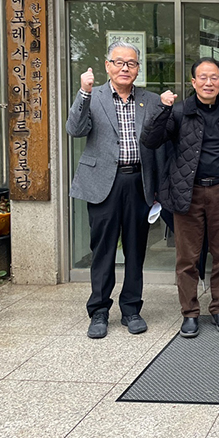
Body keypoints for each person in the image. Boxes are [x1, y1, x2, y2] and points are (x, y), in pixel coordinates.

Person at [141, 57, 219, 338]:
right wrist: (162, 109)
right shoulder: (178, 111)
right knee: (187, 258)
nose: (209, 83)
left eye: (214, 78)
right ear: (193, 81)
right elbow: (150, 140)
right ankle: (189, 312)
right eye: (203, 77)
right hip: (187, 191)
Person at [66, 41, 163, 339]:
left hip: (138, 182)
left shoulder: (151, 100)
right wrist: (83, 92)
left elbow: (160, 143)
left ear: (138, 68)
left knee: (135, 248)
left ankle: (131, 308)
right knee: (103, 249)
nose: (125, 68)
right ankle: (99, 310)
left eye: (131, 63)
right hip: (102, 183)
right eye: (119, 62)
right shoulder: (92, 96)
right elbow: (75, 129)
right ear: (108, 65)